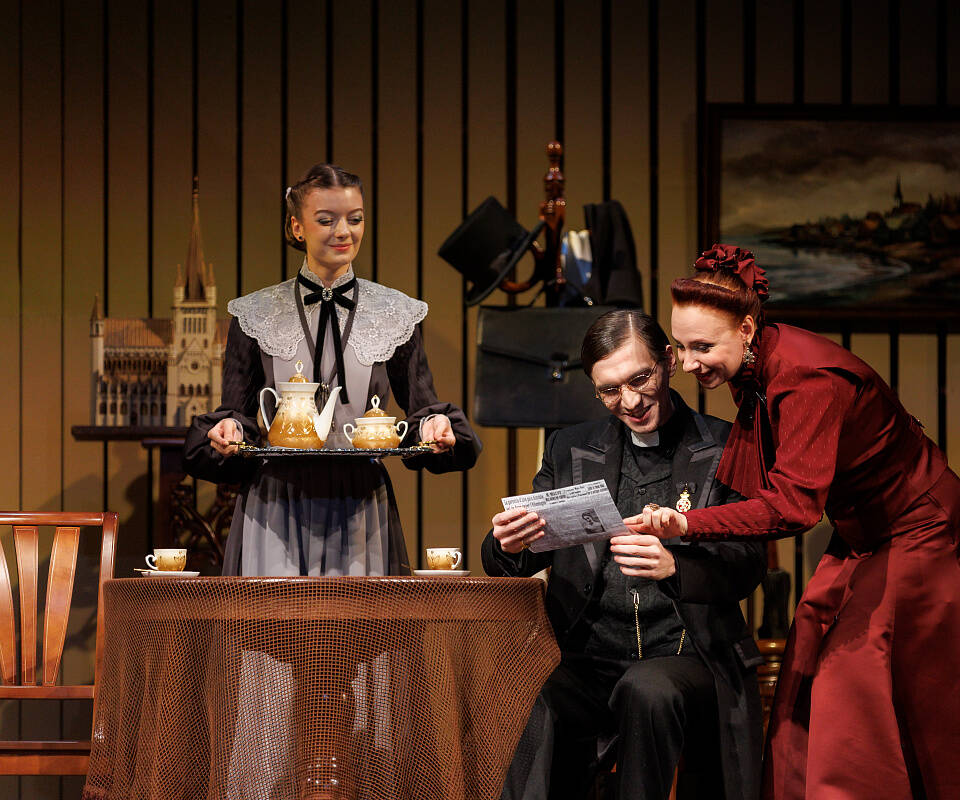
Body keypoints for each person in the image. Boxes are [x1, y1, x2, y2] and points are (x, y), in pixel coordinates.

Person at [627, 245, 960, 799]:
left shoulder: (807, 378)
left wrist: (687, 525)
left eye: (703, 346)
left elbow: (794, 507)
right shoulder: (753, 364)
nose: (689, 362)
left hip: (921, 530)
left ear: (746, 329)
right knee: (806, 669)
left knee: (873, 688)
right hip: (861, 534)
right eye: (681, 345)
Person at [482, 309, 766, 800]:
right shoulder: (570, 448)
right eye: (610, 390)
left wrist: (676, 567)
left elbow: (748, 562)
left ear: (668, 362)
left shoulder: (725, 447)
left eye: (640, 379)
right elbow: (520, 557)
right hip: (590, 659)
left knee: (646, 689)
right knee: (530, 692)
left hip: (687, 654)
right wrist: (508, 543)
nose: (630, 401)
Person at [183, 162, 479, 577]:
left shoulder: (395, 312)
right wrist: (229, 429)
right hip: (276, 501)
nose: (344, 232)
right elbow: (237, 413)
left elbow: (421, 409)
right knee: (276, 618)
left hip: (360, 502)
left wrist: (433, 427)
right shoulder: (255, 313)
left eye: (355, 219)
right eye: (326, 220)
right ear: (297, 227)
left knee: (356, 618)